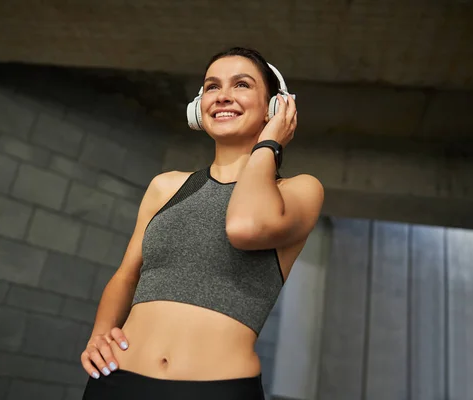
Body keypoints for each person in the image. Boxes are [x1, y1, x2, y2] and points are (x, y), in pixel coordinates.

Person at [81, 47, 324, 400]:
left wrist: (269, 143)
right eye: (211, 87)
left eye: (241, 85)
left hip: (217, 391)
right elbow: (126, 275)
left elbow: (245, 227)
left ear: (275, 106)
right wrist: (100, 333)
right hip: (118, 380)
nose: (222, 95)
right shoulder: (166, 186)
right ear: (199, 106)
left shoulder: (299, 191)